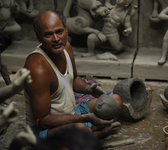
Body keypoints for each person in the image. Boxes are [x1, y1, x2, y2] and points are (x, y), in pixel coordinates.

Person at [24, 10, 122, 140]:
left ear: (66, 30)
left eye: (59, 31)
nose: (56, 39)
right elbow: (43, 121)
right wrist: (86, 117)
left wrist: (88, 89)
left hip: (72, 111)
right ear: (39, 38)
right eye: (48, 35)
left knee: (115, 101)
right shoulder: (37, 68)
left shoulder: (66, 48)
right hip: (44, 129)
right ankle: (96, 133)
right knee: (80, 130)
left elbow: (74, 79)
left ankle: (87, 133)